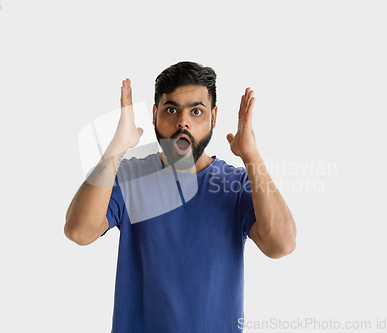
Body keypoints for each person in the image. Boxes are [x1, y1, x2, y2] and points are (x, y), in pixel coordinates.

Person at [64, 61, 297, 332]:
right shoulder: (129, 177)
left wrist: (251, 156)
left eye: (196, 111)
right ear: (154, 115)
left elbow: (281, 245)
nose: (182, 122)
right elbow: (79, 231)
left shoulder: (236, 184)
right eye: (171, 109)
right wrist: (117, 147)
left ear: (214, 116)